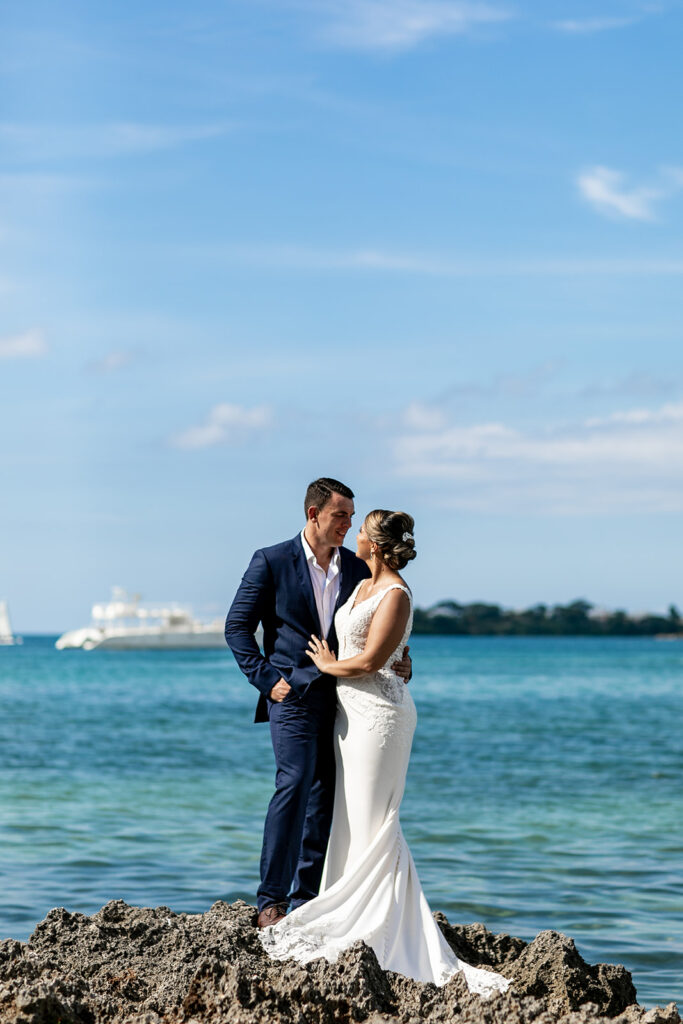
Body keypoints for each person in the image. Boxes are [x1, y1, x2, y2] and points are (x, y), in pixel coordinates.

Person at [258, 510, 511, 997]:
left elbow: (374, 660)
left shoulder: (395, 592)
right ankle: (347, 910)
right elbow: (374, 645)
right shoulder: (360, 583)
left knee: (377, 821)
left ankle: (388, 929)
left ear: (374, 544)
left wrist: (332, 666)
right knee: (350, 819)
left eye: (359, 529)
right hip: (348, 716)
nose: (352, 533)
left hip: (381, 718)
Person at [225, 478, 412, 929]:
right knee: (295, 784)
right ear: (314, 514)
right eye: (341, 515)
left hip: (349, 699)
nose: (349, 524)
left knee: (326, 798)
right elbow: (237, 628)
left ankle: (307, 898)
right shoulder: (270, 561)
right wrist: (268, 682)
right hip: (292, 695)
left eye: (352, 516)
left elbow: (379, 628)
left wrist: (400, 661)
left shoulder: (355, 565)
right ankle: (271, 902)